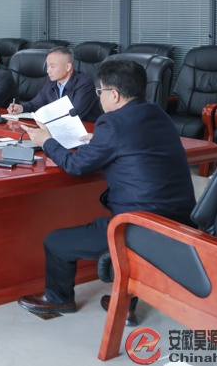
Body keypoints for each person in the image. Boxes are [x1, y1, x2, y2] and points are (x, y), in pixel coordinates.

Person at [16, 60, 195, 323]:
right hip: (180, 219)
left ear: (115, 95)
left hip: (138, 225)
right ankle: (125, 304)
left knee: (56, 242)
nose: (99, 96)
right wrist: (100, 141)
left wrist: (47, 141)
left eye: (100, 91)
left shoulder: (111, 123)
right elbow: (137, 141)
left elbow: (76, 166)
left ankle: (59, 299)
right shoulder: (157, 113)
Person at [8, 47, 102, 123]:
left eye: (52, 66)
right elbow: (35, 104)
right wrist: (21, 108)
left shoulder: (84, 83)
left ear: (68, 67)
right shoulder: (51, 83)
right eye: (47, 66)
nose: (47, 70)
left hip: (86, 131)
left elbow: (74, 114)